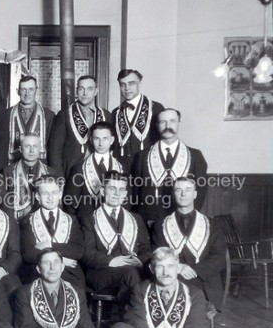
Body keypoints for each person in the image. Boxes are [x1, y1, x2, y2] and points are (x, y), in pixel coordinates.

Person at [151, 176, 226, 307]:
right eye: (178, 190)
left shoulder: (211, 224)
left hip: (204, 280)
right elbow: (157, 255)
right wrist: (178, 267)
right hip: (173, 278)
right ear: (173, 194)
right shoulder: (161, 224)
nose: (183, 193)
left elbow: (219, 258)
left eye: (188, 190)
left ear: (195, 194)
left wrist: (193, 270)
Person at [81, 171, 151, 301]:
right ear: (102, 191)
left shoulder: (136, 218)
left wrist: (139, 260)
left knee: (149, 272)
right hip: (101, 273)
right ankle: (134, 318)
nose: (117, 194)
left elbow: (146, 249)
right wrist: (112, 261)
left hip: (131, 270)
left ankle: (121, 316)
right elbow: (87, 253)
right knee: (130, 273)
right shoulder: (89, 219)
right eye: (112, 189)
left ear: (125, 194)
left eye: (121, 190)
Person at [131, 108, 208, 225]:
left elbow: (200, 191)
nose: (168, 126)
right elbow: (136, 191)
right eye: (163, 122)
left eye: (172, 121)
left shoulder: (195, 156)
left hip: (182, 220)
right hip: (150, 222)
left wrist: (188, 217)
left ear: (179, 124)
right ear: (157, 126)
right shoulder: (142, 156)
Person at [20, 175, 85, 289]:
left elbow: (78, 250)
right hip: (39, 270)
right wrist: (61, 260)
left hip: (68, 271)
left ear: (60, 195)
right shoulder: (27, 221)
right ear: (37, 196)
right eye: (45, 193)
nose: (50, 197)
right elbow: (28, 254)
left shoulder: (71, 220)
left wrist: (49, 245)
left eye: (54, 193)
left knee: (75, 289)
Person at [48, 75, 111, 177]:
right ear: (77, 91)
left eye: (89, 89)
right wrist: (59, 178)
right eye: (81, 89)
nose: (85, 93)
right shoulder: (64, 115)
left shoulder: (106, 115)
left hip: (99, 173)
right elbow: (54, 151)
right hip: (71, 174)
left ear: (96, 91)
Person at [64, 121, 128, 221]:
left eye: (105, 138)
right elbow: (70, 204)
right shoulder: (79, 168)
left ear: (112, 140)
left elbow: (127, 201)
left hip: (114, 223)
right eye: (96, 138)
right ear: (91, 140)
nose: (101, 143)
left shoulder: (122, 167)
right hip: (86, 224)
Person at [1, 133, 60, 220]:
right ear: (20, 149)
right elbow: (4, 203)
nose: (32, 151)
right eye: (27, 146)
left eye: (35, 146)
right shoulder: (8, 172)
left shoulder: (51, 172)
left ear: (40, 148)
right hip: (16, 222)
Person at [110, 69, 164, 160]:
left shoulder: (155, 108)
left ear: (140, 84)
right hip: (123, 169)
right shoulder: (115, 113)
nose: (127, 88)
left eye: (131, 83)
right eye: (122, 84)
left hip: (147, 165)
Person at [5, 75, 55, 162]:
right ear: (18, 91)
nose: (27, 93)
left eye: (31, 89)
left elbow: (53, 149)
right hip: (13, 167)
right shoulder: (6, 114)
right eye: (23, 89)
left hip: (40, 168)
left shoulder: (49, 116)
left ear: (36, 90)